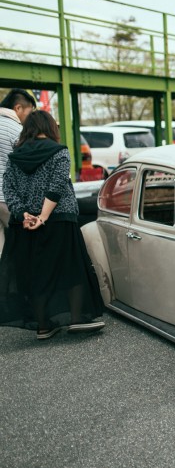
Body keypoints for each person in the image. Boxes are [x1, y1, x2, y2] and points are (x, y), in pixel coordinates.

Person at [0, 110, 105, 340]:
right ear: (50, 128)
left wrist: (24, 214)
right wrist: (44, 217)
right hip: (59, 220)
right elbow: (56, 186)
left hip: (24, 225)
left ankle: (43, 326)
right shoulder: (59, 152)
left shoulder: (14, 157)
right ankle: (76, 319)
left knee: (36, 273)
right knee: (71, 268)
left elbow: (8, 189)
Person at [0, 89, 36, 253]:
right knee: (23, 242)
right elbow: (29, 163)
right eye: (29, 113)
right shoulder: (16, 130)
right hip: (7, 198)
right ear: (18, 108)